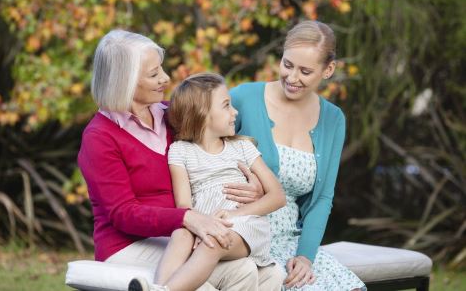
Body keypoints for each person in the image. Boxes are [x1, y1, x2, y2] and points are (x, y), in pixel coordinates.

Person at [78, 30, 283, 291]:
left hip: (184, 234)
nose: (165, 78)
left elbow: (216, 151)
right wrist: (187, 219)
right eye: (153, 74)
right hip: (130, 245)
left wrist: (251, 185)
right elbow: (122, 213)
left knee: (265, 274)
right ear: (124, 81)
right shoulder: (100, 137)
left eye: (161, 69)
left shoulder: (171, 115)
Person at [228, 21, 366, 290]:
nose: (292, 78)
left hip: (291, 238)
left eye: (305, 71)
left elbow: (323, 196)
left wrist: (304, 256)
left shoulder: (333, 119)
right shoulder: (244, 97)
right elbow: (199, 146)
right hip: (244, 232)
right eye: (287, 65)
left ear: (328, 70)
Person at [137, 73, 285, 291]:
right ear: (202, 113)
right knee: (181, 232)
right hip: (205, 225)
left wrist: (232, 216)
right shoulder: (180, 151)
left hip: (245, 226)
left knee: (214, 241)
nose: (235, 112)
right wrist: (199, 227)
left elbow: (277, 196)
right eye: (226, 105)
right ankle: (158, 287)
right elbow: (184, 206)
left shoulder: (243, 148)